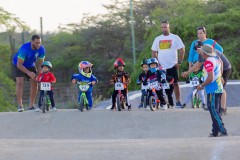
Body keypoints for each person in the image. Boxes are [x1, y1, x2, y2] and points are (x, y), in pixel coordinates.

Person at [182, 41, 231, 114]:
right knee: (214, 88)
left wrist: (220, 76)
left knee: (221, 87)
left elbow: (221, 62)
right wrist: (188, 72)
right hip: (216, 68)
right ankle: (213, 106)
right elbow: (198, 64)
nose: (197, 50)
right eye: (196, 49)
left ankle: (223, 108)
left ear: (202, 47)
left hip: (225, 68)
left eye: (199, 48)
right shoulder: (201, 54)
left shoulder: (211, 51)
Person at [196, 44, 228, 137]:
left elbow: (210, 78)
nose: (201, 52)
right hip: (217, 87)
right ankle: (215, 131)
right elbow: (222, 62)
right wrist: (220, 75)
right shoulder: (216, 59)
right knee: (215, 110)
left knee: (213, 110)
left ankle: (222, 130)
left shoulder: (208, 62)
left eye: (202, 51)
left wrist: (201, 85)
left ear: (204, 53)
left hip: (212, 88)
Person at [151, 20, 185, 107]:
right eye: (162, 27)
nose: (164, 29)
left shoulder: (175, 37)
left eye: (165, 27)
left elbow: (182, 49)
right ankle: (164, 101)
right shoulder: (157, 39)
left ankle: (178, 101)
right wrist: (157, 63)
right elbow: (154, 52)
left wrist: (179, 62)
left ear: (169, 27)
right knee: (161, 84)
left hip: (173, 65)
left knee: (175, 83)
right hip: (161, 67)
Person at [12, 35, 45, 112]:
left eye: (39, 43)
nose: (38, 44)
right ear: (32, 42)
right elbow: (19, 64)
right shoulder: (24, 49)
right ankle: (20, 105)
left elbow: (40, 64)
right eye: (36, 43)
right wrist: (28, 72)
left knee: (35, 81)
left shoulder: (42, 49)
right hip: (18, 64)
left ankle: (31, 106)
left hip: (30, 65)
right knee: (20, 82)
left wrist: (39, 75)